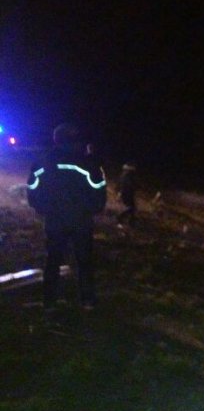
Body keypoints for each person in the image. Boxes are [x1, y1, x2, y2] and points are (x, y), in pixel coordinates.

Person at [26, 123, 107, 310]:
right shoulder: (90, 163)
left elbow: (32, 189)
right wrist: (91, 210)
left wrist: (42, 208)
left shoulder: (43, 161)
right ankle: (87, 301)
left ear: (56, 139)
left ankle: (49, 302)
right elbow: (99, 193)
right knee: (84, 261)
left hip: (54, 221)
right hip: (81, 221)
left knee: (53, 260)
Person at [116, 162, 138, 227]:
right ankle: (120, 218)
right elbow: (128, 185)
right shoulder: (127, 176)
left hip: (127, 193)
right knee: (131, 208)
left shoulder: (125, 175)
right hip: (127, 194)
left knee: (132, 208)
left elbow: (120, 185)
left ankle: (131, 221)